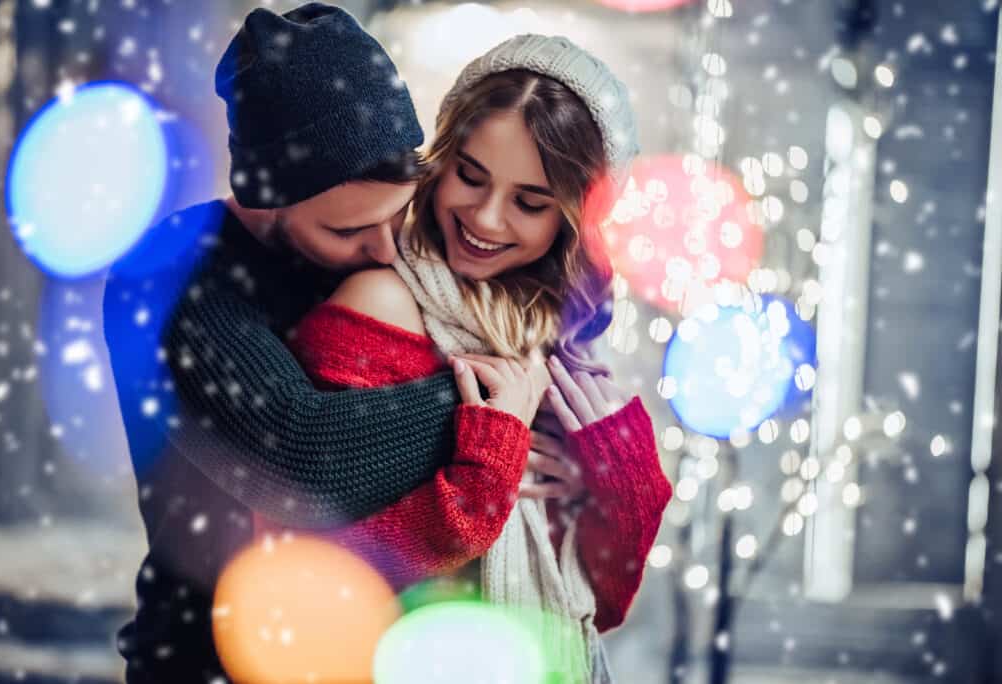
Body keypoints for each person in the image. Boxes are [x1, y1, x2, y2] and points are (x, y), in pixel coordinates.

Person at [102, 5, 542, 681]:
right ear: (262, 197)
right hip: (207, 659)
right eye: (348, 231)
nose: (386, 250)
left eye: (398, 216)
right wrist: (501, 407)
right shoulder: (165, 275)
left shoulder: (380, 249)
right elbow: (303, 458)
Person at [278, 34, 673, 682]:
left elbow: (600, 606)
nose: (486, 219)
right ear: (442, 157)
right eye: (470, 175)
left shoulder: (544, 332)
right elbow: (316, 565)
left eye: (530, 202)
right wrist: (487, 463)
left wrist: (620, 483)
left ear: (572, 221)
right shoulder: (380, 303)